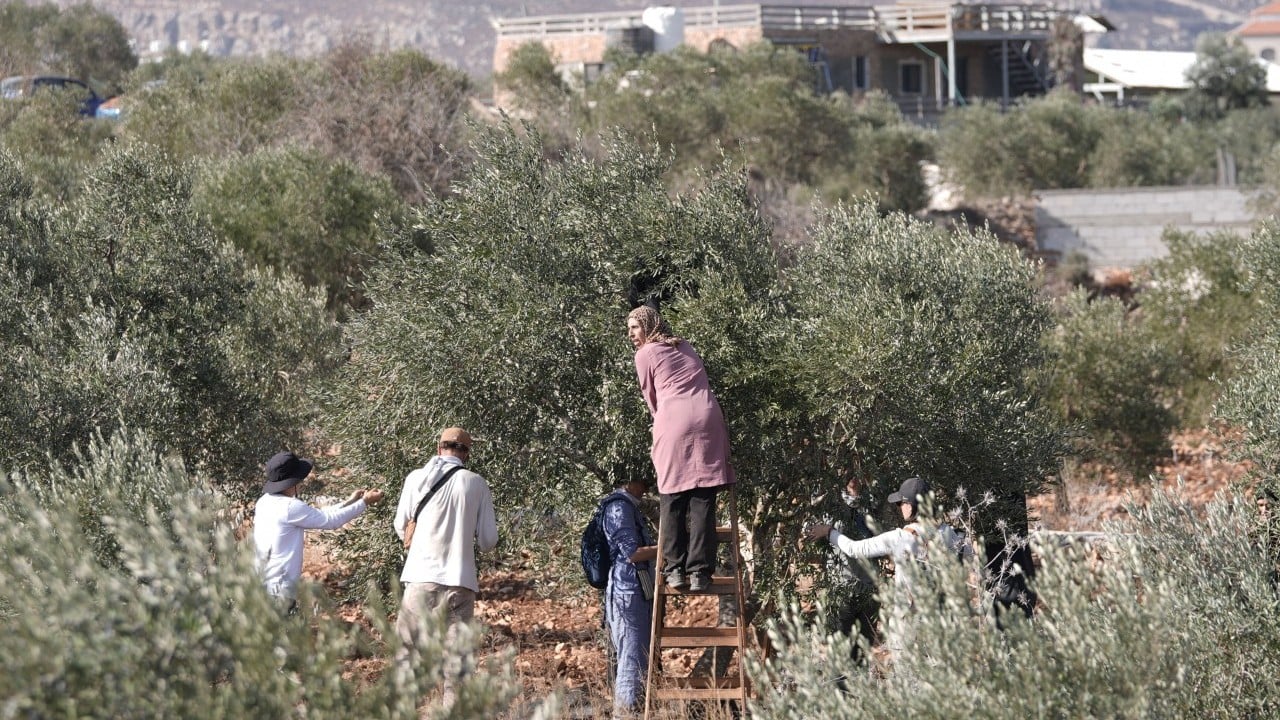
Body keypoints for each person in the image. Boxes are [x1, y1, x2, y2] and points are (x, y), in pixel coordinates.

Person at [626, 304, 736, 593]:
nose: (631, 334)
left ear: (648, 326)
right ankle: (700, 572)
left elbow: (650, 398)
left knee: (673, 496)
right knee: (703, 497)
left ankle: (674, 569)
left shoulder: (645, 354)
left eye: (635, 327)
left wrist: (663, 421)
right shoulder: (685, 345)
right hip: (709, 418)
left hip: (674, 419)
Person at [806, 476, 971, 661]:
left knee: (907, 679)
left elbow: (854, 549)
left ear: (911, 505)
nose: (899, 507)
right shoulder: (952, 535)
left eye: (901, 503)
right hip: (942, 621)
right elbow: (970, 560)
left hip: (908, 623)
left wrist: (829, 532)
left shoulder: (901, 537)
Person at [392, 427, 498, 708]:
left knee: (407, 656)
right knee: (458, 665)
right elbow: (488, 541)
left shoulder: (416, 478)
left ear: (439, 448)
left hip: (420, 579)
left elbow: (399, 526)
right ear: (467, 453)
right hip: (460, 582)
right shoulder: (476, 483)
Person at [253, 450, 384, 612]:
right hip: (280, 591)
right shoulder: (290, 507)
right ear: (292, 481)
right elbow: (331, 522)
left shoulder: (264, 502)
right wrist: (364, 502)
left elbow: (320, 515)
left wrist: (350, 501)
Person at [602, 476, 658, 719]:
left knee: (638, 658)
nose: (646, 490)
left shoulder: (628, 507)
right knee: (630, 659)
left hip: (634, 589)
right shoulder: (618, 507)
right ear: (629, 481)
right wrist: (668, 547)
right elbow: (632, 553)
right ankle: (624, 715)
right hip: (627, 592)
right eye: (644, 484)